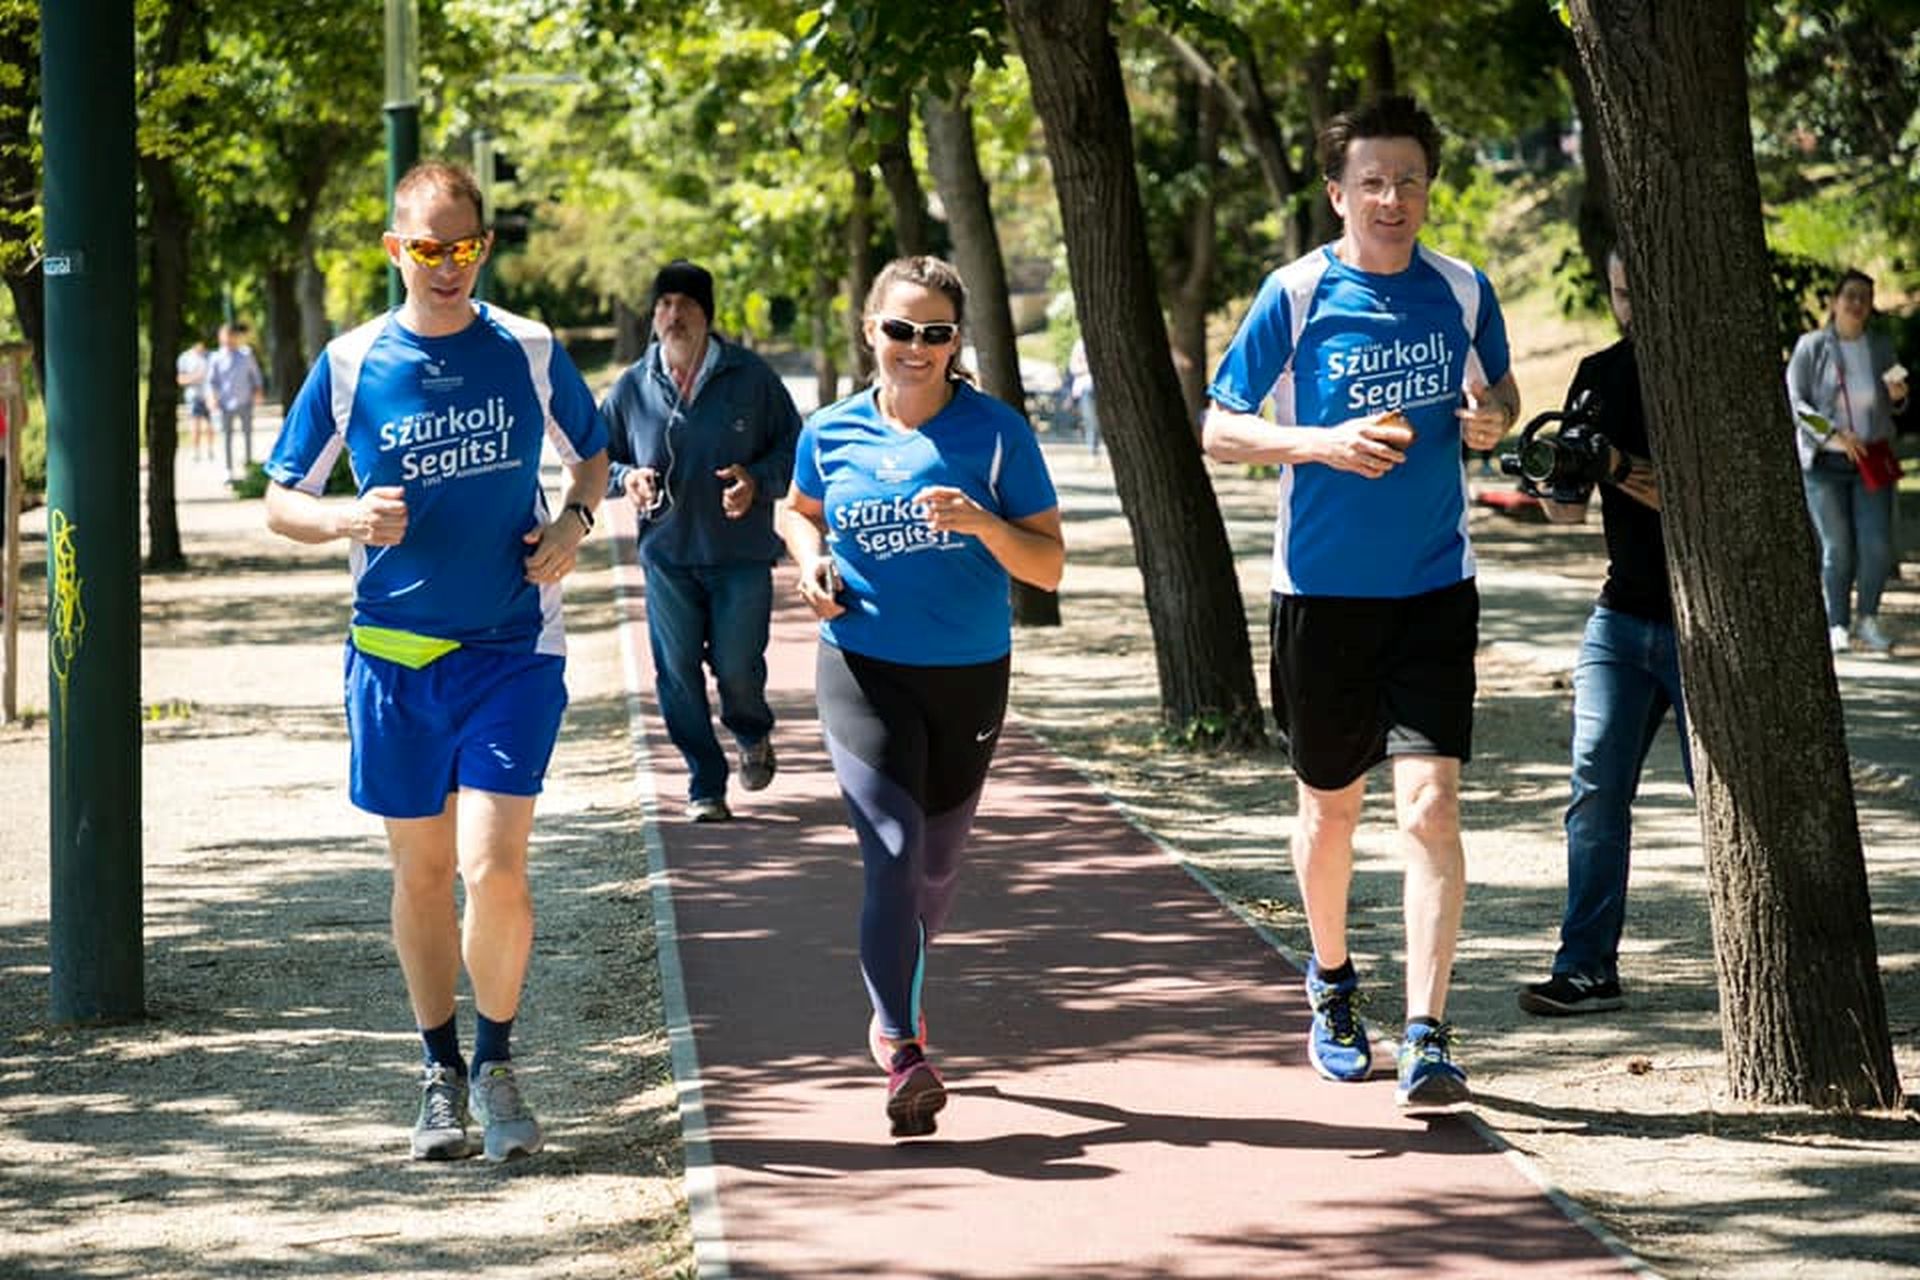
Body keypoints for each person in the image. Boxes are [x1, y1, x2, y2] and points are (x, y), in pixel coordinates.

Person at [262, 160, 609, 1163]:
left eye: (463, 247)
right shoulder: (350, 361)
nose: (447, 265)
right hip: (394, 657)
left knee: (495, 869)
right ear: (395, 250)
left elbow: (593, 452)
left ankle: (498, 1064)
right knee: (420, 876)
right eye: (427, 248)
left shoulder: (530, 348)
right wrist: (340, 519)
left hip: (511, 647)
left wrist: (574, 522)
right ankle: (438, 1071)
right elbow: (282, 497)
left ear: (484, 247)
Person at [1201, 95, 1519, 1109]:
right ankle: (1334, 984)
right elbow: (1219, 428)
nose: (1393, 198)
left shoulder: (1464, 289)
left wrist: (1488, 424)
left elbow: (1500, 397)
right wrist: (1322, 443)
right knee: (1331, 807)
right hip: (1323, 592)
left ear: (1430, 189)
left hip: (1434, 585)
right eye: (1372, 181)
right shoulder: (1292, 296)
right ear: (1338, 194)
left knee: (1428, 803)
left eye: (1411, 179)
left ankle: (1427, 1030)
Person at [777, 255, 1064, 1138]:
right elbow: (798, 510)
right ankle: (901, 1047)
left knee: (935, 872)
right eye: (899, 329)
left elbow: (1047, 564)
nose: (916, 347)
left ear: (955, 342)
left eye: (935, 333)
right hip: (861, 665)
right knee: (894, 856)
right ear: (871, 328)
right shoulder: (829, 431)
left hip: (970, 671)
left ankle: (900, 983)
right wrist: (808, 560)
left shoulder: (997, 433)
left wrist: (984, 523)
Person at [1518, 250, 1691, 1017]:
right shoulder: (1597, 371)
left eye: (1638, 289)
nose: (1628, 304)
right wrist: (1555, 471)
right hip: (1621, 617)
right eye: (1618, 291)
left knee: (1722, 801)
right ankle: (1586, 967)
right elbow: (1567, 510)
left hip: (1704, 622)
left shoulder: (1704, 368)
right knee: (1593, 791)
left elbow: (1704, 497)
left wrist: (1615, 461)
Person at [599, 260, 801, 823]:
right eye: (664, 304)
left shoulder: (752, 378)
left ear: (707, 315)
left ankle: (752, 733)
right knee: (677, 673)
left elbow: (796, 451)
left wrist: (757, 482)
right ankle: (704, 782)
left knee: (737, 668)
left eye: (685, 305)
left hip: (740, 557)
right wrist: (626, 479)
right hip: (667, 557)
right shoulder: (633, 386)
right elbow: (598, 457)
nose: (673, 315)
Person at [1786, 268, 1910, 655]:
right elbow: (1795, 402)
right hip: (1825, 463)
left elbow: (1901, 403)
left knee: (1876, 546)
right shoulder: (1812, 346)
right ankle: (1836, 624)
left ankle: (1868, 620)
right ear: (1834, 302)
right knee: (1837, 547)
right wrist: (1834, 433)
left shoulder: (1881, 348)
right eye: (1851, 296)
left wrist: (1899, 396)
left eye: (1865, 298)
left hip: (1871, 462)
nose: (1857, 304)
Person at [206, 322, 265, 480]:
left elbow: (256, 376)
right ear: (221, 338)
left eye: (232, 336)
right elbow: (211, 381)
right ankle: (228, 470)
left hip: (245, 401)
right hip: (225, 404)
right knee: (226, 437)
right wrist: (212, 398)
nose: (229, 339)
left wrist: (258, 391)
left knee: (247, 435)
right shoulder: (216, 358)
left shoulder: (246, 355)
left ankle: (248, 467)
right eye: (226, 336)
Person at [175, 339, 214, 462]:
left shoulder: (211, 356)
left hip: (209, 395)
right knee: (195, 426)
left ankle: (210, 450)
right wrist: (195, 377)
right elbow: (180, 379)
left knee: (210, 426)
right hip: (193, 396)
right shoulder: (185, 357)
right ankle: (196, 451)